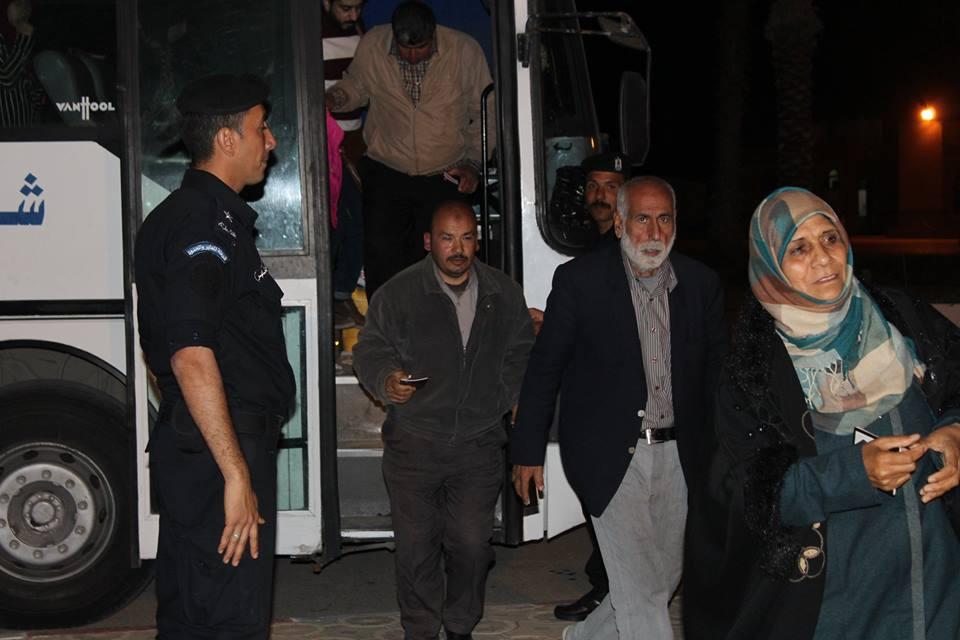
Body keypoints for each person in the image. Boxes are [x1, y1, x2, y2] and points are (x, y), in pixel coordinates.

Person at [683, 187, 960, 639]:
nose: (823, 258)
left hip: (934, 594)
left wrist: (954, 430)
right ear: (770, 264)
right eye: (798, 248)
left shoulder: (901, 319)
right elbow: (742, 497)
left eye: (830, 238)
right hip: (838, 608)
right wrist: (853, 474)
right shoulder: (755, 370)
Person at [510, 176, 727, 639]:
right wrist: (527, 450)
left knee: (660, 579)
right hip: (607, 454)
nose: (654, 232)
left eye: (664, 219)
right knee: (644, 594)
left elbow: (718, 379)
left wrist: (727, 454)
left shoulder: (701, 284)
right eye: (642, 219)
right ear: (620, 225)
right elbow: (545, 368)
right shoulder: (580, 281)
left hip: (680, 454)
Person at [134, 74, 296, 639]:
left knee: (193, 615)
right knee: (230, 618)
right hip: (220, 450)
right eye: (260, 128)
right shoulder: (202, 224)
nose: (270, 141)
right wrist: (234, 473)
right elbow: (189, 354)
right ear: (227, 139)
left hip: (202, 442)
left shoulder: (199, 217)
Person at [353, 201, 534, 640]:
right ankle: (420, 630)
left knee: (471, 545)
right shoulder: (399, 293)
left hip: (478, 445)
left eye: (467, 237)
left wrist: (510, 398)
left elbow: (520, 354)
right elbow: (370, 349)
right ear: (428, 242)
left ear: (477, 241)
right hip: (414, 445)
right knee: (415, 550)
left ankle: (459, 627)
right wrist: (387, 379)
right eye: (448, 239)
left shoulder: (503, 293)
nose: (458, 249)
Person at [326, 0, 494, 301]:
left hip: (444, 172)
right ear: (394, 36)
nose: (414, 55)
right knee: (381, 256)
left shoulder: (464, 51)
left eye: (422, 48)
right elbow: (357, 86)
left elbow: (486, 112)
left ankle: (441, 320)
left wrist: (474, 164)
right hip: (387, 169)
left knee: (437, 258)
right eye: (406, 49)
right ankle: (386, 322)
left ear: (434, 34)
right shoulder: (374, 44)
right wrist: (335, 97)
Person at [549, 150, 631, 623]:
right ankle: (609, 584)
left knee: (610, 498)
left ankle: (611, 590)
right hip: (597, 391)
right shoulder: (595, 244)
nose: (601, 195)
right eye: (594, 186)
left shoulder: (625, 246)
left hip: (619, 400)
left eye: (611, 186)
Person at [323, 0, 367, 328]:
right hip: (325, 141)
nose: (353, 15)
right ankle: (335, 297)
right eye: (346, 7)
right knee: (340, 222)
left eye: (358, 7)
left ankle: (341, 294)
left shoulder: (359, 31)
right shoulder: (308, 33)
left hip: (354, 140)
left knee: (357, 219)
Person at [0, 0, 38, 127]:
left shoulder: (15, 35)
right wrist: (25, 34)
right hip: (8, 130)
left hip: (24, 125)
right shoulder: (21, 35)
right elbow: (6, 78)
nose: (24, 7)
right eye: (18, 3)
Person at [581, 151, 630, 249]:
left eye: (610, 187)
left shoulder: (629, 243)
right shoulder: (584, 237)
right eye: (592, 186)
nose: (599, 196)